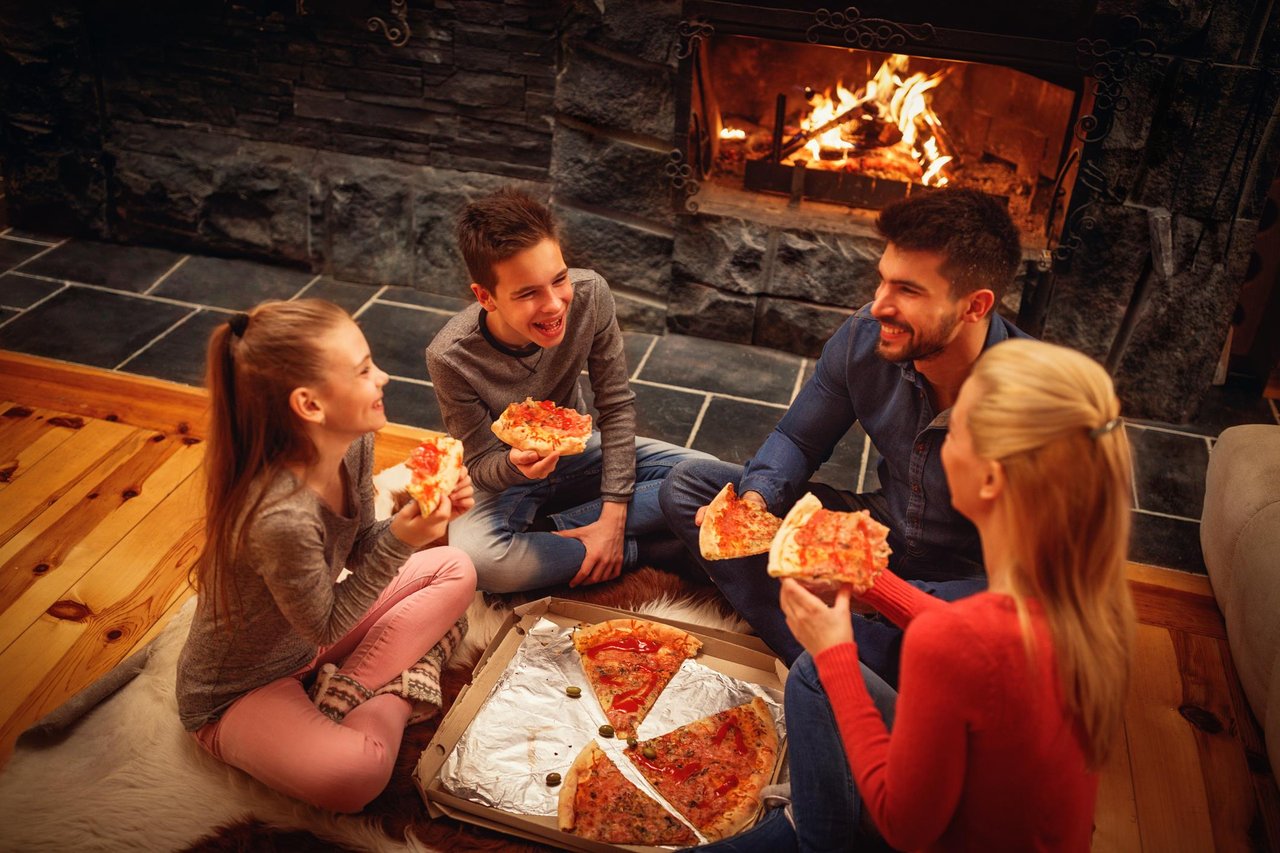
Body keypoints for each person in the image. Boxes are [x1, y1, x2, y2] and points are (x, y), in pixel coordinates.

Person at [696, 338, 1137, 851]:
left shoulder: (950, 642)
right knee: (816, 680)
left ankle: (809, 833)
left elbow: (904, 827)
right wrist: (873, 584)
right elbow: (971, 646)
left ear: (991, 477)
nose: (937, 444)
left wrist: (834, 650)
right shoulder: (1078, 595)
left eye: (956, 431)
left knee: (820, 676)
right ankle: (807, 819)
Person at [660, 187, 1029, 681]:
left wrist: (878, 592)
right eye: (882, 281)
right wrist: (753, 505)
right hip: (879, 530)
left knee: (999, 639)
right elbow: (798, 440)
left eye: (909, 291)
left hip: (967, 575)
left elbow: (1035, 588)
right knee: (688, 487)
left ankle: (839, 654)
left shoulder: (1037, 403)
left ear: (974, 306)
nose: (879, 305)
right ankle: (835, 656)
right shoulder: (864, 337)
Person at [175, 299, 476, 813]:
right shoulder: (280, 516)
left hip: (307, 646)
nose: (382, 377)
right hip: (241, 689)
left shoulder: (354, 443)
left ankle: (349, 687)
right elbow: (324, 626)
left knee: (456, 567)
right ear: (310, 405)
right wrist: (404, 539)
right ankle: (401, 688)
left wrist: (418, 511)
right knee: (355, 776)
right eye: (363, 370)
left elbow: (360, 549)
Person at [427, 187, 711, 593]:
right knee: (481, 563)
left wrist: (613, 516)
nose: (555, 305)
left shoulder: (591, 294)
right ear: (485, 297)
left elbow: (615, 406)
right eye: (527, 293)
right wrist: (515, 465)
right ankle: (648, 548)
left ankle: (561, 531)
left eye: (558, 279)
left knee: (712, 477)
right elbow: (481, 467)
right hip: (507, 476)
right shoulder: (450, 356)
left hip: (579, 455)